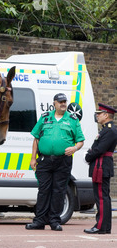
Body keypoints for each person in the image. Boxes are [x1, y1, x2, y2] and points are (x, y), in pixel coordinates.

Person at [26, 93, 85, 231]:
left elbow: (81, 140)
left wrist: (75, 148)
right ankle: (39, 221)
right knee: (43, 191)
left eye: (64, 101)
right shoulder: (45, 117)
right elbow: (36, 138)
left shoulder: (72, 120)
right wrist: (33, 157)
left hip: (63, 161)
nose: (63, 104)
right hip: (45, 160)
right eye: (60, 102)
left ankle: (54, 221)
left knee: (58, 191)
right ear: (54, 103)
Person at [84, 103, 117, 234]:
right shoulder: (107, 129)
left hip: (101, 166)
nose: (97, 116)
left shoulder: (109, 130)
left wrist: (88, 156)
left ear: (106, 115)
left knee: (101, 197)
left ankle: (101, 226)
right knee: (103, 197)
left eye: (99, 113)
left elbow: (99, 149)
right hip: (102, 165)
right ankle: (104, 226)